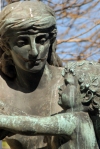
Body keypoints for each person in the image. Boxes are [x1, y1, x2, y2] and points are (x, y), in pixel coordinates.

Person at [0, 1, 99, 149]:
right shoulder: (2, 90)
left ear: (51, 41)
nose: (34, 51)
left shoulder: (75, 84)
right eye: (22, 42)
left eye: (41, 40)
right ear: (6, 47)